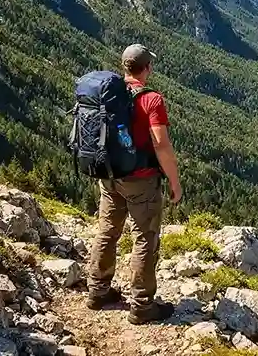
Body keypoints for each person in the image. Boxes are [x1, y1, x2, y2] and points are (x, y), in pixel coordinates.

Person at [86, 44, 183, 324]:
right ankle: (142, 306)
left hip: (108, 175)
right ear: (147, 68)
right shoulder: (152, 100)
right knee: (144, 238)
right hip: (141, 180)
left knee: (107, 231)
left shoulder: (107, 95)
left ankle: (98, 290)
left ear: (124, 66)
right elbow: (160, 144)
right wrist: (174, 181)